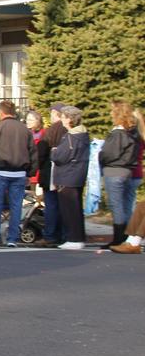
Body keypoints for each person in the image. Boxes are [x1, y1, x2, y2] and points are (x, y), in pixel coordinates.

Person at [0, 100, 37, 248]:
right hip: (19, 172)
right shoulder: (25, 130)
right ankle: (12, 238)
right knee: (16, 206)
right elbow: (33, 153)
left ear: (1, 112)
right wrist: (30, 173)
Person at [98, 100, 140, 249]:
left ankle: (118, 237)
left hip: (114, 170)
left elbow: (109, 153)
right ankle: (127, 236)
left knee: (117, 205)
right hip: (127, 171)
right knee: (125, 205)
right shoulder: (133, 132)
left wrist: (101, 157)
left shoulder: (118, 133)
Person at [51, 106, 90, 250]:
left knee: (69, 209)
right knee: (76, 208)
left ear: (69, 119)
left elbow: (60, 156)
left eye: (63, 117)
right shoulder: (82, 135)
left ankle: (74, 238)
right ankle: (78, 237)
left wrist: (54, 152)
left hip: (67, 176)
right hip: (77, 174)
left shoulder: (71, 137)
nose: (61, 119)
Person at [35, 103, 69, 247]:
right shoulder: (69, 130)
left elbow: (41, 153)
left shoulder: (51, 131)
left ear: (56, 114)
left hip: (51, 171)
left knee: (51, 205)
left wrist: (37, 166)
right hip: (67, 172)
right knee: (63, 205)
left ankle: (50, 235)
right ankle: (63, 234)